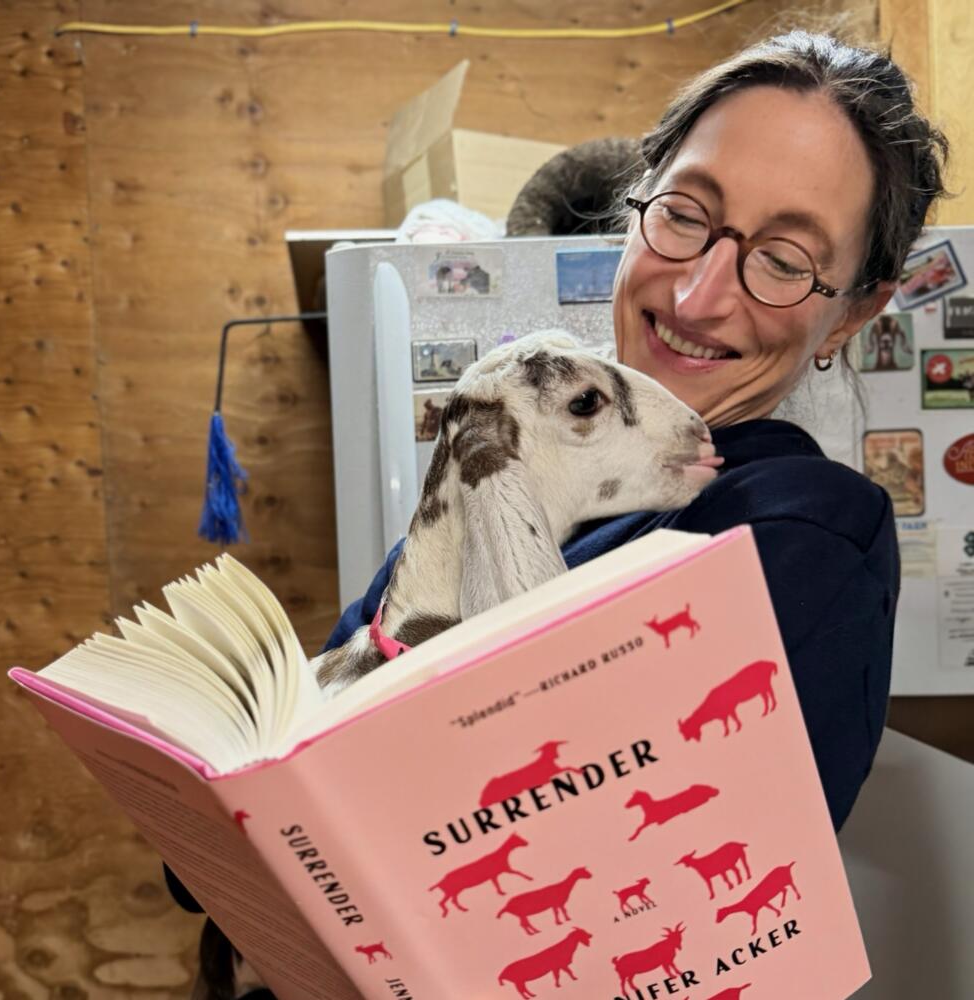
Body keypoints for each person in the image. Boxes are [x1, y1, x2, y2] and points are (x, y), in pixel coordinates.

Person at [168, 29, 949, 998]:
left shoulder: (798, 533)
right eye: (685, 215)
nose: (698, 293)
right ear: (635, 207)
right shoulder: (513, 465)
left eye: (785, 260)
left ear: (854, 312)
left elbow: (597, 892)